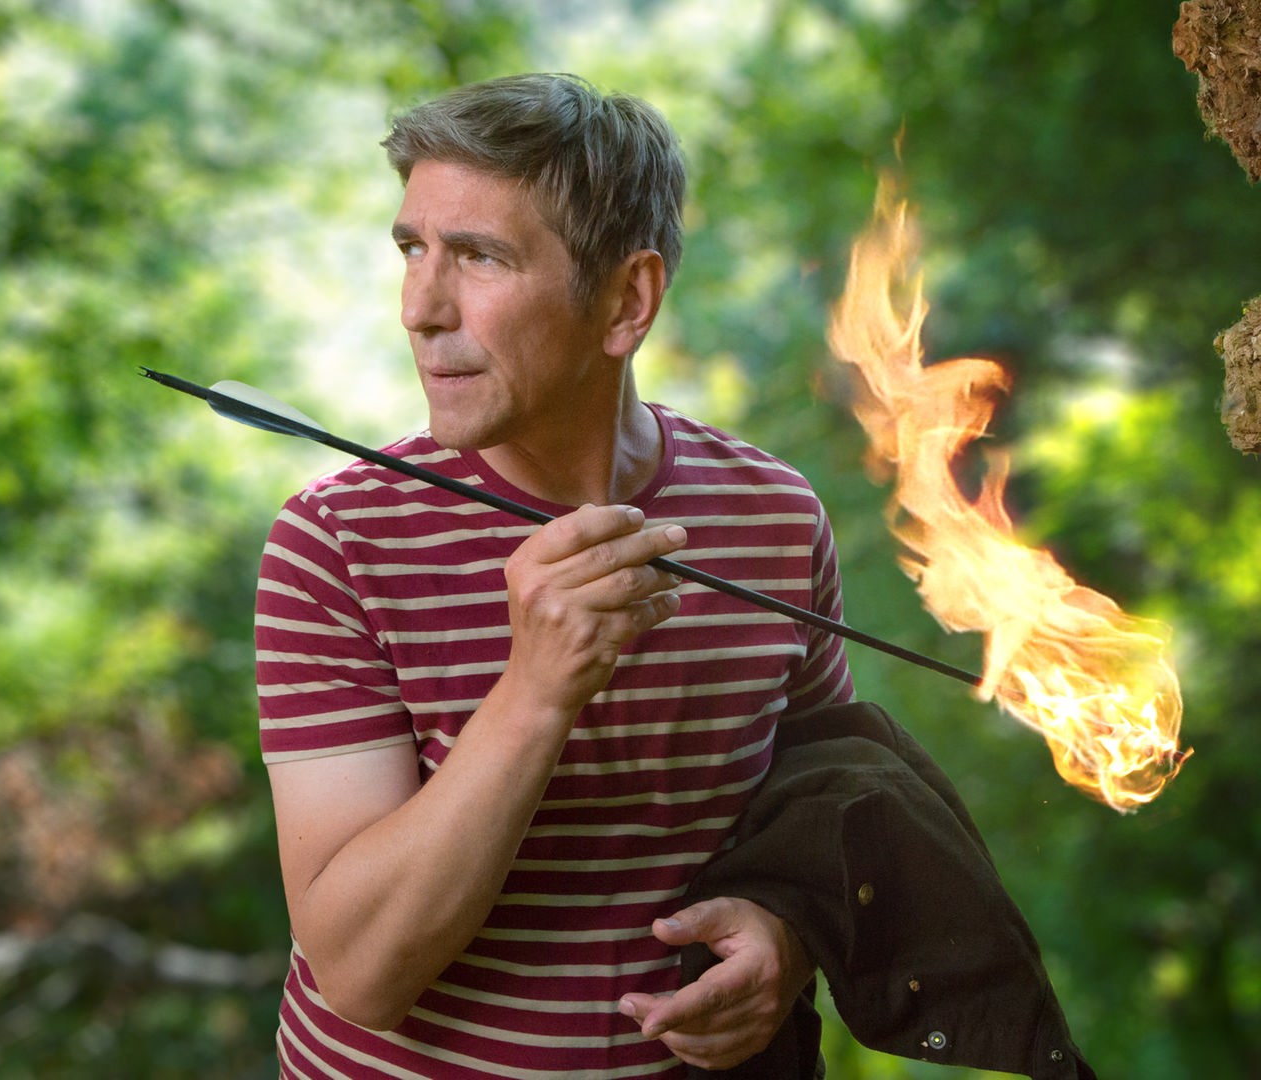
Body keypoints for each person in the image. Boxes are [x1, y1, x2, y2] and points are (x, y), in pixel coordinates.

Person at [253, 73, 854, 1078]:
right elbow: (358, 971)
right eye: (411, 250)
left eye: (480, 257)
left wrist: (789, 939)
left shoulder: (775, 519)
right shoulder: (333, 544)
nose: (420, 307)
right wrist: (536, 692)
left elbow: (831, 815)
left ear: (627, 300)